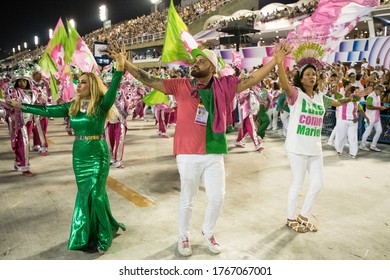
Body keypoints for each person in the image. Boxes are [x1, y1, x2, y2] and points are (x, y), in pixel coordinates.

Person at [121, 46, 282, 256]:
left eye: (201, 61)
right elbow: (150, 79)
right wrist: (125, 63)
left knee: (218, 197)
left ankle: (208, 231)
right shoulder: (181, 85)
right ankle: (183, 235)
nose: (195, 64)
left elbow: (251, 79)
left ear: (212, 68)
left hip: (214, 150)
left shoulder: (225, 86)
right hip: (188, 151)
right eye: (195, 61)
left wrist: (275, 61)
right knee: (188, 198)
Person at [5, 45, 127, 253]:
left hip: (98, 152)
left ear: (93, 86)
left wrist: (119, 68)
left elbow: (114, 87)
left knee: (96, 193)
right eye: (78, 83)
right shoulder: (71, 106)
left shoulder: (101, 105)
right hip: (79, 154)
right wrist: (22, 106)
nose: (78, 86)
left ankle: (103, 235)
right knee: (84, 193)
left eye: (83, 83)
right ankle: (86, 234)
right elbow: (47, 110)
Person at [275, 41, 371, 233]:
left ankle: (303, 215)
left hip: (314, 148)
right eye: (308, 74)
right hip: (296, 147)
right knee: (297, 184)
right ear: (301, 79)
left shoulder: (321, 97)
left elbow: (339, 102)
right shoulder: (295, 94)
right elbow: (284, 83)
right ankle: (290, 217)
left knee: (318, 184)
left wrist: (356, 96)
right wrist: (279, 63)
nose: (312, 76)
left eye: (314, 74)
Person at [359, 84, 389, 152]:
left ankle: (373, 146)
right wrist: (379, 108)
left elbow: (377, 105)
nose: (382, 93)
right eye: (381, 91)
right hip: (370, 118)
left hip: (376, 118)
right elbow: (368, 106)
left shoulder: (378, 96)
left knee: (379, 131)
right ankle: (362, 145)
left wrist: (383, 107)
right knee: (367, 132)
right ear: (377, 89)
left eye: (382, 91)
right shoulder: (370, 96)